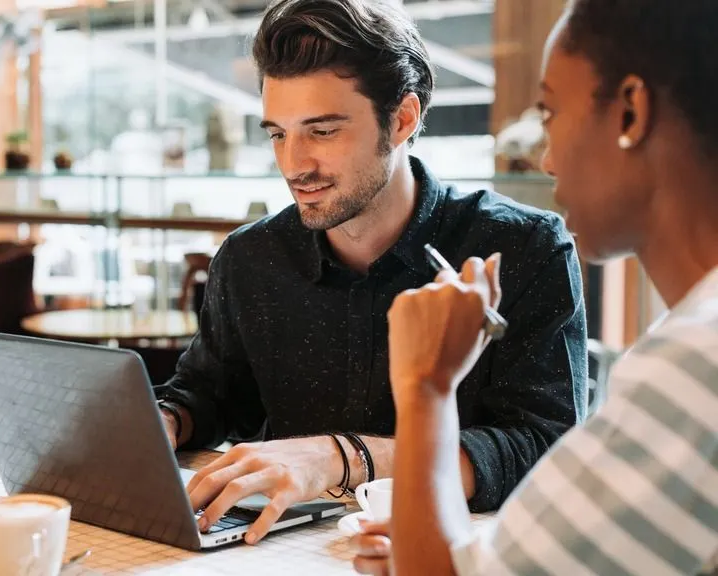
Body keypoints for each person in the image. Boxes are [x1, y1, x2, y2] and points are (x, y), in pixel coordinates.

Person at [153, 0, 588, 546]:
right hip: (269, 553)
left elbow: (545, 450)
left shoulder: (521, 247)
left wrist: (338, 457)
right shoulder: (249, 258)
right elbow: (210, 394)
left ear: (402, 119)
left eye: (323, 131)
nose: (294, 164)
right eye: (278, 134)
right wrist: (161, 422)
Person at [351, 0, 718, 574]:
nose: (545, 159)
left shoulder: (696, 364)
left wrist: (426, 386)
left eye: (549, 111)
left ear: (629, 113)